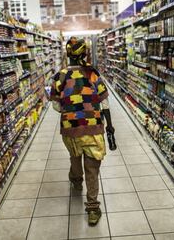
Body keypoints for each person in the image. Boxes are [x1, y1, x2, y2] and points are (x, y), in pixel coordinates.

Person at [50, 37, 114, 226]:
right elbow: (104, 101)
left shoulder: (59, 76)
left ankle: (76, 179)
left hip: (70, 128)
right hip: (93, 126)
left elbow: (55, 105)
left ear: (67, 54)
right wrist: (109, 124)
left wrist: (71, 110)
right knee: (92, 168)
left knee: (75, 157)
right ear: (84, 53)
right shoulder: (92, 73)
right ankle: (93, 209)